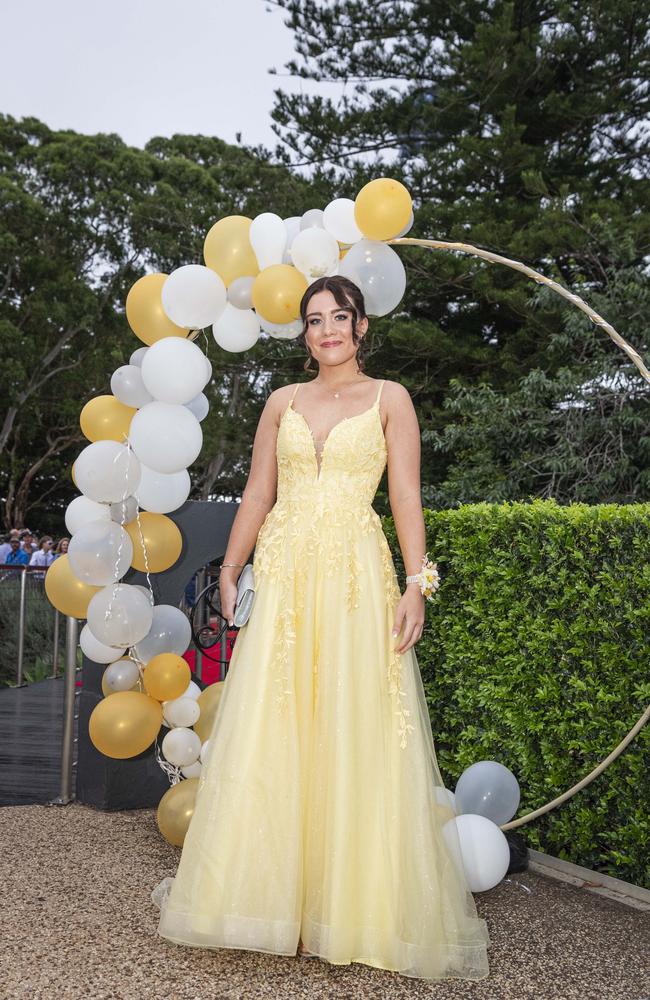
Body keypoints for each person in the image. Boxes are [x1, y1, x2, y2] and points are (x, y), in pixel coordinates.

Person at [151, 276, 491, 982]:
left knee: (350, 724)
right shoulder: (282, 403)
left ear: (361, 326)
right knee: (278, 725)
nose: (328, 328)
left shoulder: (390, 399)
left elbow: (404, 494)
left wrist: (415, 585)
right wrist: (233, 564)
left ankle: (350, 908)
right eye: (314, 319)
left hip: (354, 577)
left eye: (340, 316)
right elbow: (258, 491)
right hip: (284, 577)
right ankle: (270, 905)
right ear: (303, 334)